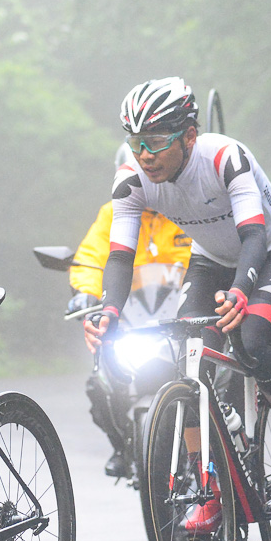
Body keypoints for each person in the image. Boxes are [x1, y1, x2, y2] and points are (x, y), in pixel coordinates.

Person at [84, 77, 271, 534]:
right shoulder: (131, 180)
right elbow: (119, 256)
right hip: (211, 259)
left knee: (252, 342)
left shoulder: (224, 157)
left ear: (189, 136)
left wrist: (241, 291)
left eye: (155, 142)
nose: (144, 155)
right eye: (135, 143)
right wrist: (108, 312)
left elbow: (253, 235)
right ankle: (211, 489)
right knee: (186, 363)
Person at [68, 192, 191, 478]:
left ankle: (228, 445)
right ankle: (124, 447)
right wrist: (86, 293)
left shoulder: (188, 205)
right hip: (130, 323)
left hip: (182, 321)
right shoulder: (114, 212)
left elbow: (210, 259)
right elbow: (90, 259)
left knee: (219, 377)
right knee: (100, 385)